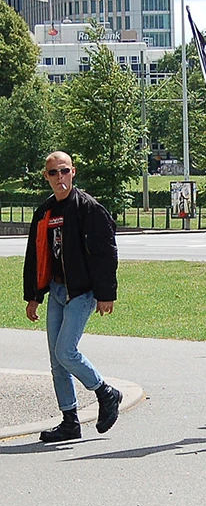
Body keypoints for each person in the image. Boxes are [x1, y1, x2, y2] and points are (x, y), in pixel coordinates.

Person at [23, 151, 122, 443]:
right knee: (57, 360)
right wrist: (34, 296)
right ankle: (70, 421)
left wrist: (106, 294)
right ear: (46, 177)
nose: (59, 178)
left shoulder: (88, 208)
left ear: (73, 172)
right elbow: (35, 256)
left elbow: (106, 254)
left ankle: (106, 392)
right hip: (56, 290)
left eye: (64, 171)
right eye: (53, 173)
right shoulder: (45, 212)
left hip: (82, 291)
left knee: (66, 352)